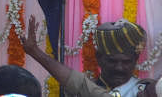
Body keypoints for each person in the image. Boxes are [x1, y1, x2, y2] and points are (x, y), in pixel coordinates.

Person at [24, 15, 158, 97]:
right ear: (99, 57)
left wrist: (36, 53)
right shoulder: (76, 92)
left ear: (135, 60)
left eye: (126, 62)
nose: (119, 68)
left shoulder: (149, 90)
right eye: (112, 61)